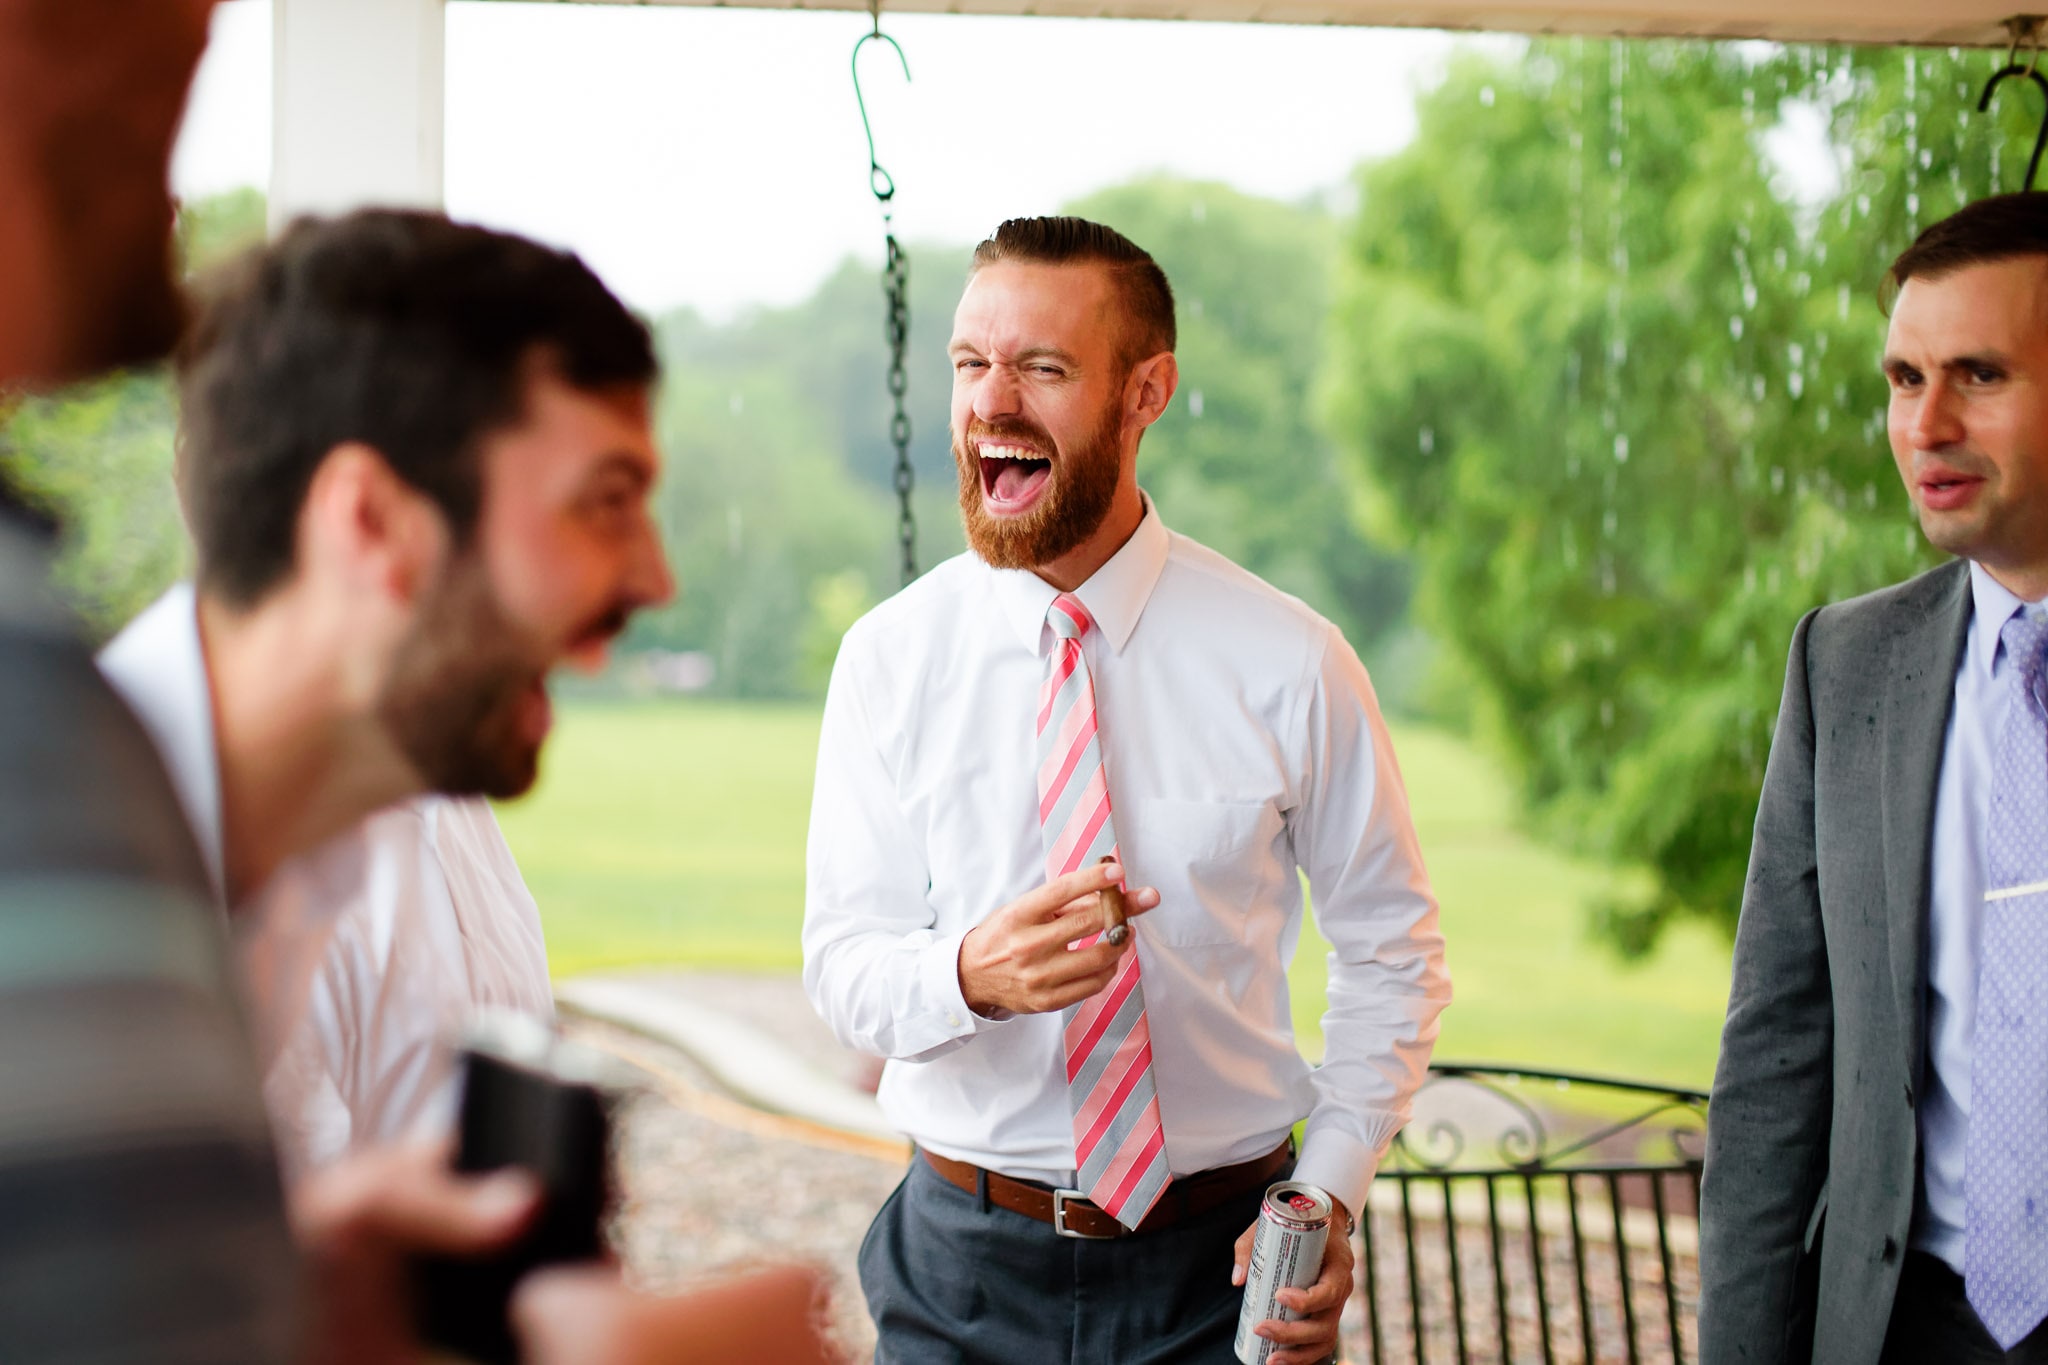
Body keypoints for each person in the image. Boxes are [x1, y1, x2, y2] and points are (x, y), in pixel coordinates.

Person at [0, 4, 835, 1353]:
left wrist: (297, 1282)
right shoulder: (46, 824)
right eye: (601, 502)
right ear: (373, 524)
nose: (656, 580)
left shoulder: (415, 828)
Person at [802, 215, 1451, 1365]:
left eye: (1041, 368)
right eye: (968, 364)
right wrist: (968, 976)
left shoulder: (1290, 661)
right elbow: (844, 968)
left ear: (1145, 391)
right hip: (956, 1272)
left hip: (1217, 1282)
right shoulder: (888, 659)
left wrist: (1331, 1193)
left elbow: (1392, 952)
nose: (990, 405)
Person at [1701, 191, 2048, 1365]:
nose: (1925, 424)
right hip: (1901, 1326)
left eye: (1979, 375)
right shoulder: (1842, 663)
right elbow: (1774, 1061)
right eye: (1903, 379)